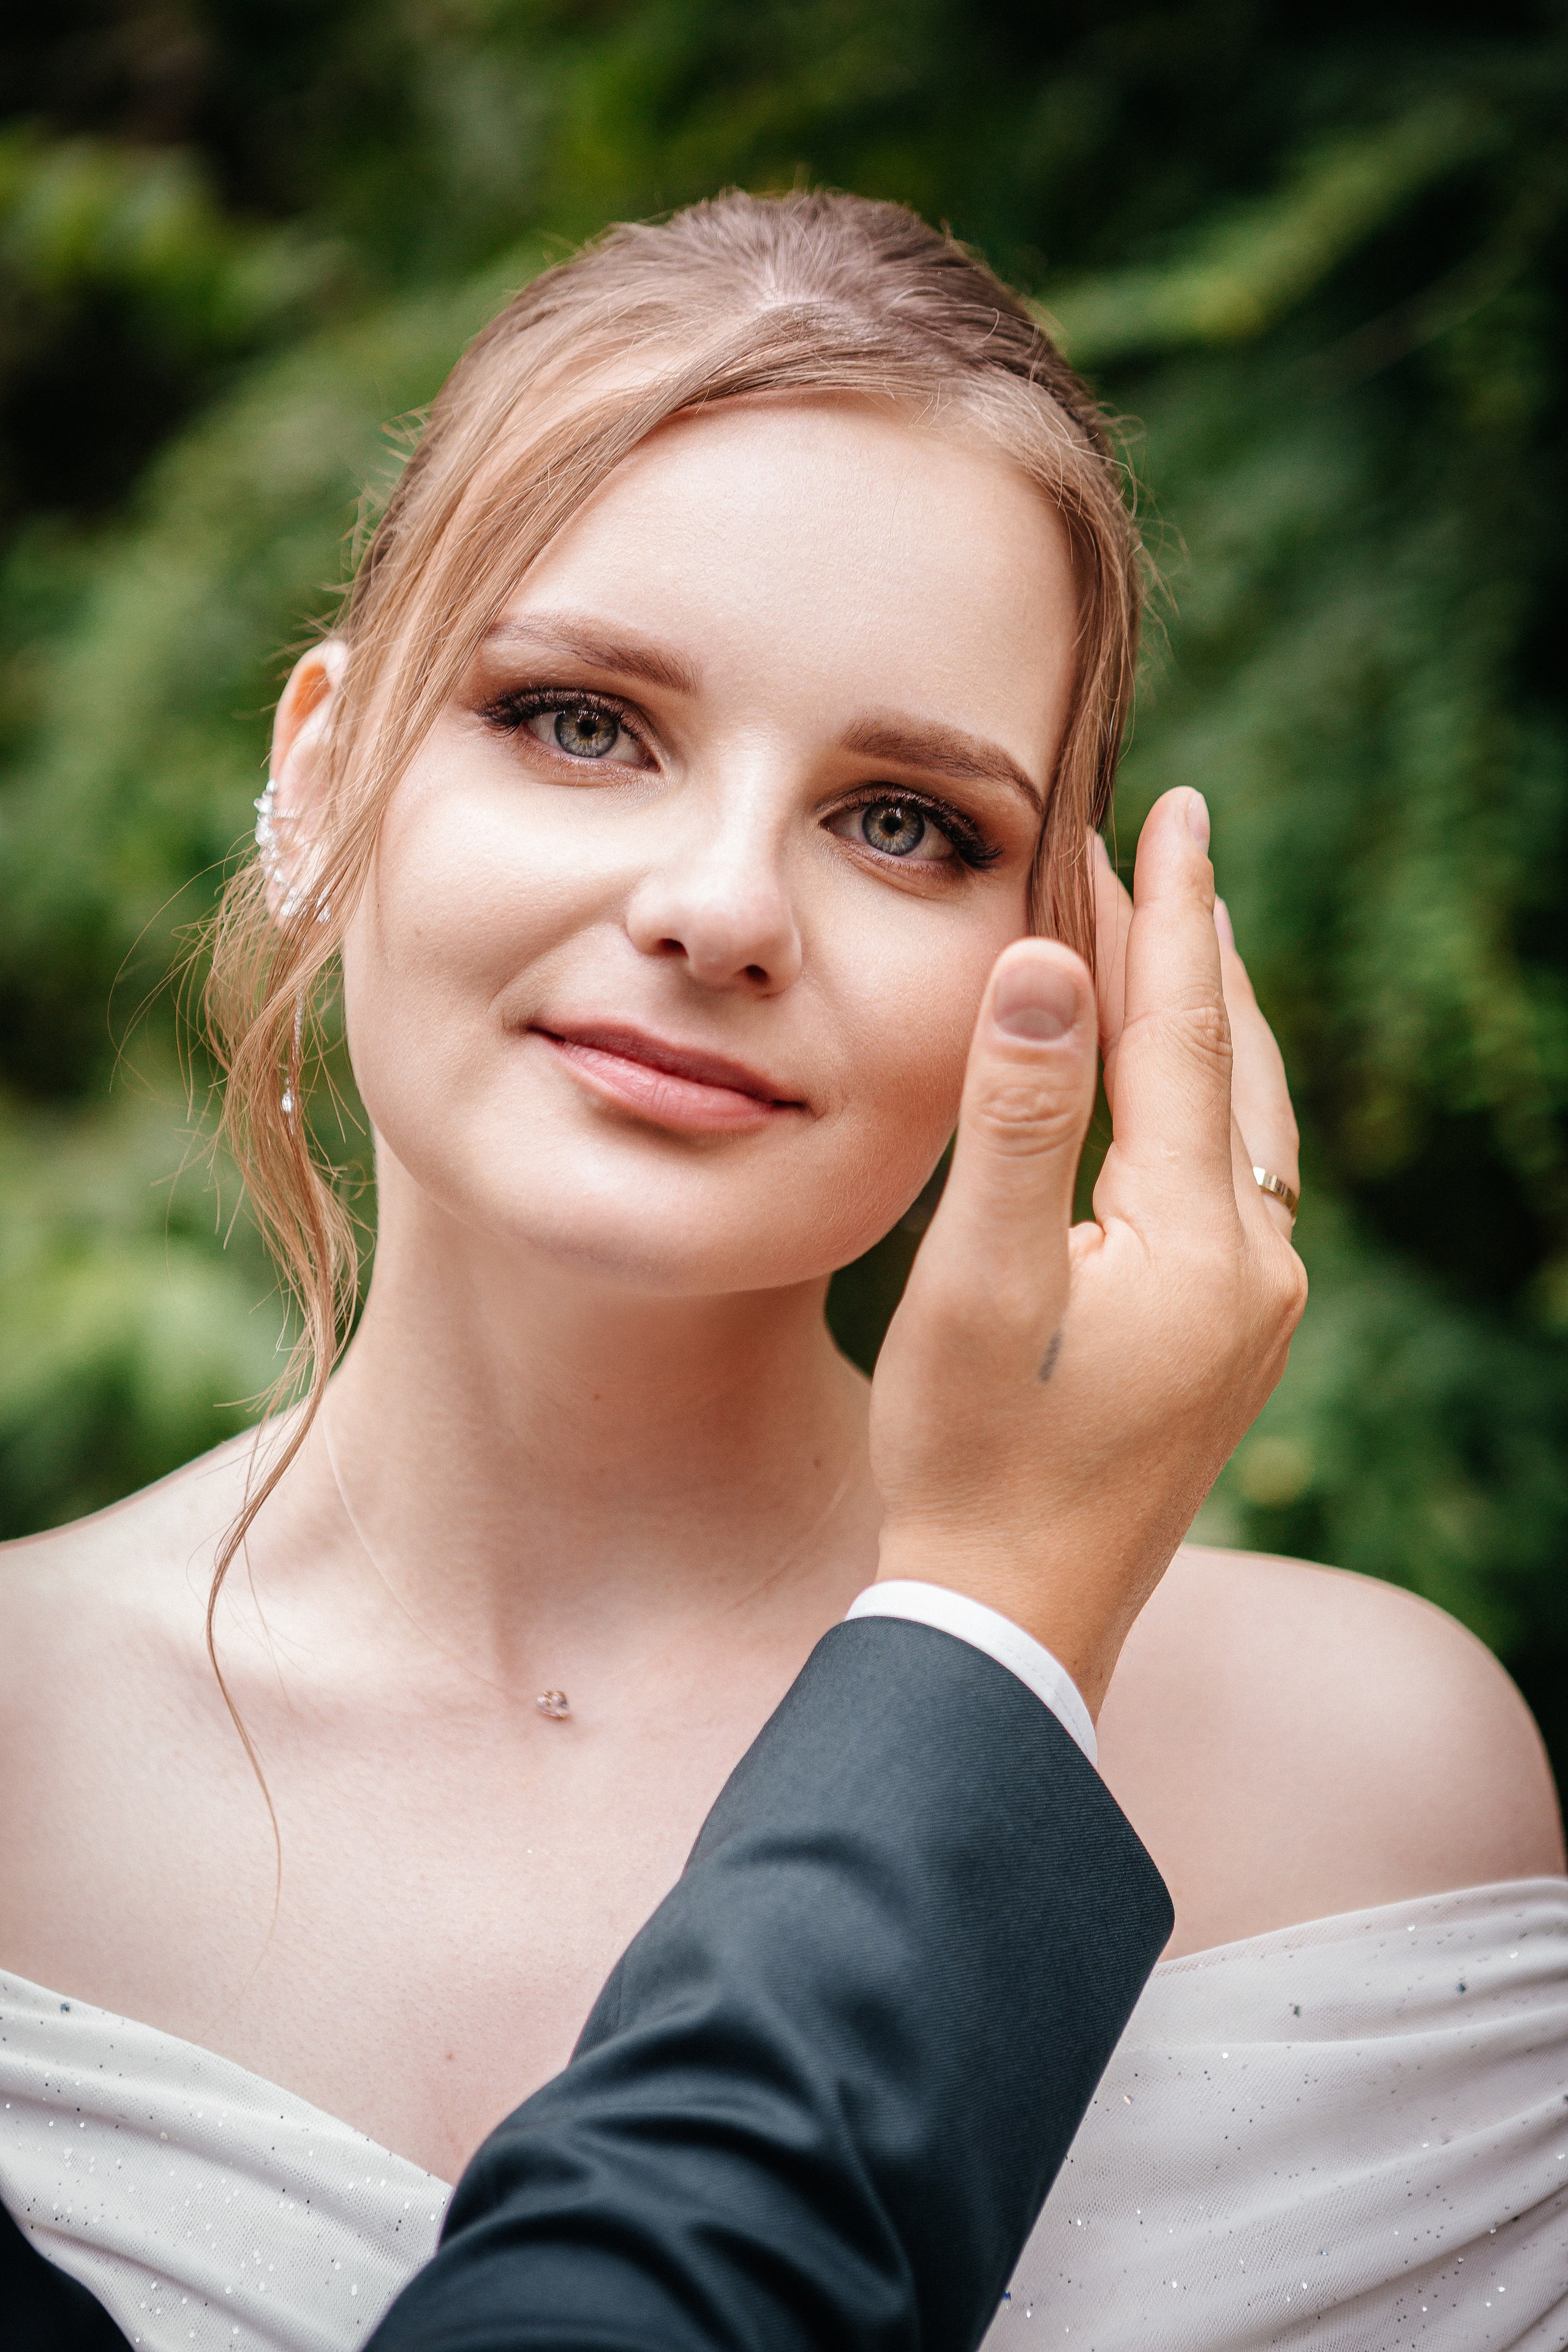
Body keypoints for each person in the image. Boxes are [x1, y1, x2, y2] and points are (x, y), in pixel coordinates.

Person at [0, 189, 1560, 2351]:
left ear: (1078, 958)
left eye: (905, 819)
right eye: (577, 720)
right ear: (319, 765)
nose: (721, 908)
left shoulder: (1381, 1767)